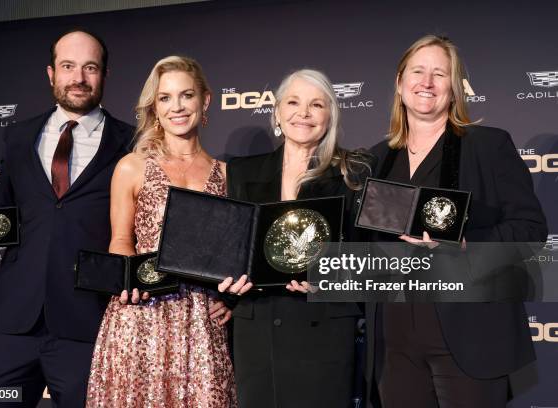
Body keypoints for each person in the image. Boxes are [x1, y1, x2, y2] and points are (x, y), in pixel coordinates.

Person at [0, 30, 135, 406]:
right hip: (13, 322)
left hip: (87, 324)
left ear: (105, 75)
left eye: (90, 67)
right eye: (68, 66)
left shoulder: (132, 143)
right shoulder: (19, 136)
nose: (78, 78)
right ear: (51, 74)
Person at [366, 35, 548, 407]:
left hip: (470, 335)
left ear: (455, 89)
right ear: (400, 84)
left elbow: (531, 230)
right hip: (393, 341)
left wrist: (466, 244)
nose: (427, 82)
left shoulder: (488, 146)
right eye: (417, 72)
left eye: (440, 74)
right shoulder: (377, 158)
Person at [86, 56, 237, 407]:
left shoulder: (228, 175)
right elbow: (121, 240)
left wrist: (229, 300)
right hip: (140, 312)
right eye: (165, 98)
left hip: (200, 320)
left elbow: (234, 253)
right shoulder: (132, 166)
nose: (177, 107)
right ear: (155, 106)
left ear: (205, 100)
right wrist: (128, 284)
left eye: (186, 95)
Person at [223, 69, 373, 408]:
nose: (303, 113)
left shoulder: (354, 171)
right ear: (276, 111)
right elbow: (232, 248)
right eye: (293, 102)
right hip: (257, 330)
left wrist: (333, 280)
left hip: (324, 329)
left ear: (330, 115)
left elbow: (371, 255)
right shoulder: (242, 172)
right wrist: (228, 282)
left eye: (316, 105)